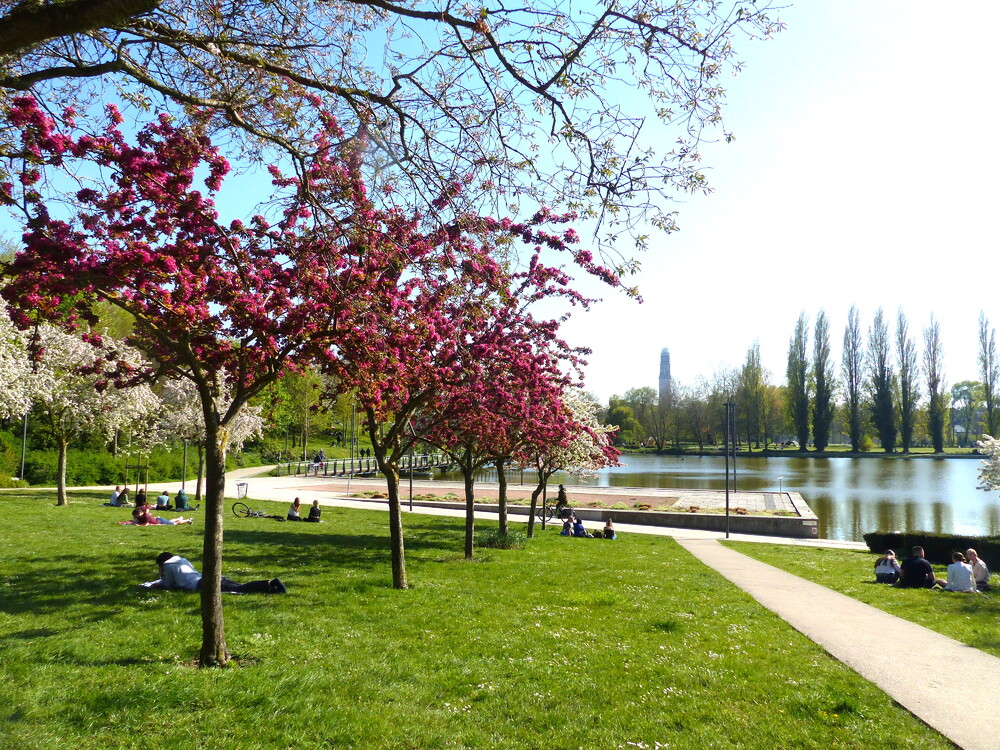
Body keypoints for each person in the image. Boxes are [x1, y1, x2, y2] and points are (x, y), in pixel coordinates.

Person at [143, 552, 286, 594]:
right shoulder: (182, 560)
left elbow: (169, 584)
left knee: (240, 589)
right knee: (240, 587)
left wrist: (157, 582)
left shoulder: (168, 566)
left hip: (199, 584)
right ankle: (269, 587)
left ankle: (271, 583)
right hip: (204, 578)